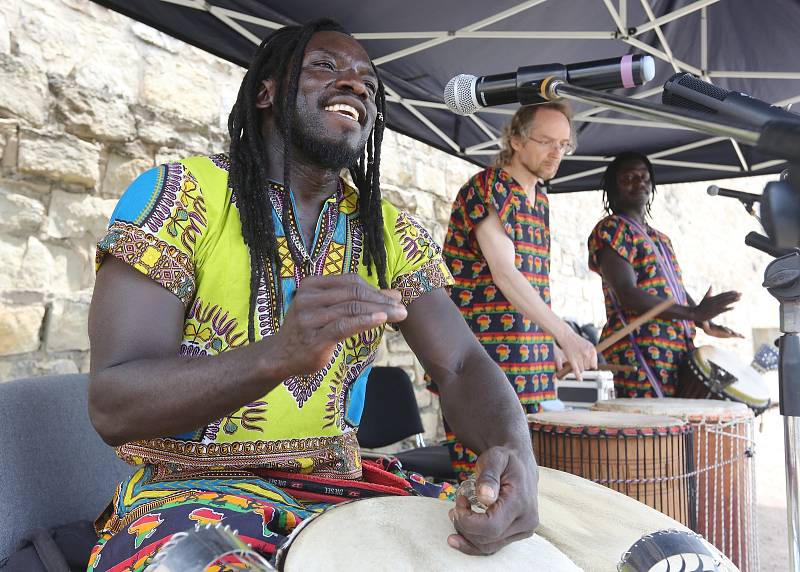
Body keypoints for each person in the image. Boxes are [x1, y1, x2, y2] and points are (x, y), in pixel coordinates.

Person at [86, 19, 539, 570]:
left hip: (340, 488)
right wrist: (275, 355)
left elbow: (462, 364)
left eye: (369, 86)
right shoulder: (181, 196)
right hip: (189, 492)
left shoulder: (389, 232)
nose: (355, 86)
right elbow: (113, 401)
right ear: (265, 91)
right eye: (325, 66)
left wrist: (515, 453)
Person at [439, 103, 597, 479]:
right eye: (545, 141)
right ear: (515, 139)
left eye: (564, 144)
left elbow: (532, 283)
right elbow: (505, 275)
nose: (556, 152)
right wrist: (566, 333)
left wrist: (551, 344)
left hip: (531, 365)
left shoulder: (540, 200)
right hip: (482, 363)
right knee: (484, 482)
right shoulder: (487, 187)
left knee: (526, 482)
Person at [587, 152, 742, 398]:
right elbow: (628, 294)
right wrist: (693, 313)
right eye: (628, 178)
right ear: (613, 187)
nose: (638, 183)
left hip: (675, 349)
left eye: (643, 177)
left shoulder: (661, 238)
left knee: (674, 431)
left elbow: (673, 290)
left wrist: (704, 322)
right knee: (649, 432)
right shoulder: (612, 229)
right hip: (639, 350)